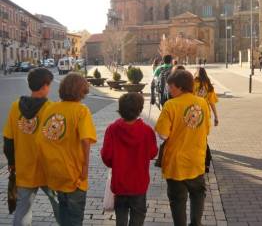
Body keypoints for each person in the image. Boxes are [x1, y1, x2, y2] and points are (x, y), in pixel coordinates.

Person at [36, 73, 97, 226]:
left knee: (63, 216)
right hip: (73, 176)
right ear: (81, 90)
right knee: (75, 219)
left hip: (55, 174)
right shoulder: (81, 111)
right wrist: (85, 168)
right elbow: (85, 141)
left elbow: (41, 139)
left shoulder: (50, 109)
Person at [2, 68, 60, 225]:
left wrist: (12, 163)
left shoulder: (15, 107)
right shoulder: (51, 108)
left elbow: (8, 140)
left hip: (24, 168)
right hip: (47, 169)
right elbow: (56, 141)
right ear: (44, 86)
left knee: (23, 210)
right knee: (60, 207)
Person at [155, 70, 210, 226]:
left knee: (178, 201)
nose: (169, 90)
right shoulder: (202, 103)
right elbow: (207, 130)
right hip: (196, 161)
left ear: (179, 87)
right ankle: (196, 223)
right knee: (198, 195)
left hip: (176, 163)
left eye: (171, 87)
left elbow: (163, 135)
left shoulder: (170, 105)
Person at [101, 93, 158, 226]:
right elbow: (153, 153)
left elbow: (107, 157)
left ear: (120, 109)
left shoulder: (112, 129)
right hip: (139, 183)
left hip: (119, 183)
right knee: (138, 216)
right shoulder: (147, 131)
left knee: (120, 217)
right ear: (140, 109)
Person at [194, 67, 219, 173]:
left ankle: (205, 160)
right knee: (203, 137)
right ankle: (205, 161)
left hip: (194, 113)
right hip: (205, 114)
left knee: (197, 138)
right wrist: (216, 117)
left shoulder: (192, 84)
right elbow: (212, 103)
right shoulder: (209, 86)